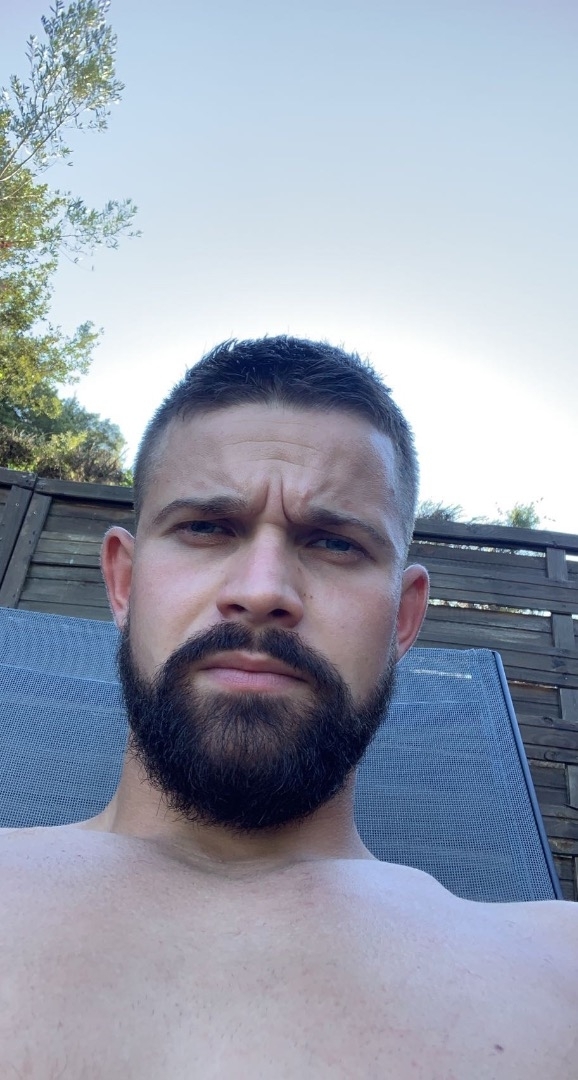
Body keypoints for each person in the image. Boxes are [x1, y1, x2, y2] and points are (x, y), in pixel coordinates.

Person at [1, 336, 576, 1079]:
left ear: (404, 619)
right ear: (124, 583)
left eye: (334, 543)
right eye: (207, 527)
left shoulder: (558, 971)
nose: (263, 589)